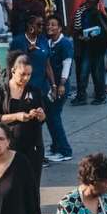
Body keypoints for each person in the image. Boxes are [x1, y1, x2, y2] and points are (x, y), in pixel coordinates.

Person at [0, 53, 47, 191]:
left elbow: (43, 118)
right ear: (13, 71)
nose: (26, 78)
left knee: (32, 186)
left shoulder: (35, 91)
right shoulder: (1, 92)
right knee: (10, 186)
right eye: (22, 74)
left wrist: (41, 115)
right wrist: (17, 116)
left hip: (32, 146)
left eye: (29, 74)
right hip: (9, 147)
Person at [71, 0, 107, 106]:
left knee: (96, 73)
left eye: (90, 3)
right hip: (87, 48)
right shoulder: (84, 14)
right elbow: (78, 29)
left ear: (95, 4)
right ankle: (85, 96)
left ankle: (98, 96)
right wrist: (81, 36)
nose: (87, 5)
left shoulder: (98, 16)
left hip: (96, 49)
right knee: (86, 73)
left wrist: (94, 39)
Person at [43, 16, 75, 164]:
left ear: (60, 28)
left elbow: (67, 65)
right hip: (51, 85)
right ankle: (56, 147)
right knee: (51, 117)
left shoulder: (65, 43)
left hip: (60, 85)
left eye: (54, 25)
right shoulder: (49, 43)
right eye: (48, 24)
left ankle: (65, 150)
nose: (50, 27)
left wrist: (61, 84)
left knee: (54, 117)